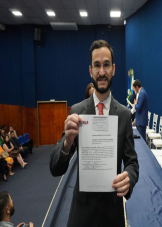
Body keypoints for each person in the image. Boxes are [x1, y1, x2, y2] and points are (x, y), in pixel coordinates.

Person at [50, 40, 139, 227]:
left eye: (106, 65)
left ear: (113, 69)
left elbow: (132, 161)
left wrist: (129, 177)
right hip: (82, 211)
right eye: (97, 65)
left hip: (112, 211)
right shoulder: (77, 111)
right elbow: (55, 168)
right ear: (90, 71)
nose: (101, 71)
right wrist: (67, 143)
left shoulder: (123, 115)